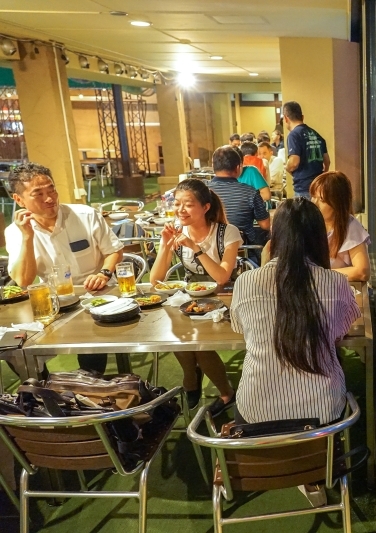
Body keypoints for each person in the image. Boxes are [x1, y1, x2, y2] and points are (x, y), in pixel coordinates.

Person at [231, 198, 360, 425]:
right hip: (322, 415)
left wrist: (265, 265)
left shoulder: (245, 282)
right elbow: (340, 332)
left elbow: (242, 329)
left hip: (255, 415)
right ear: (320, 238)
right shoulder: (337, 282)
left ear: (275, 237)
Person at [5, 162, 124, 375]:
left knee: (91, 341)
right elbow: (23, 280)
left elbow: (114, 251)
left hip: (96, 295)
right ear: (19, 200)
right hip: (53, 303)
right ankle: (43, 387)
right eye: (38, 194)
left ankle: (89, 383)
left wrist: (104, 273)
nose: (49, 198)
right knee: (13, 346)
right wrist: (27, 237)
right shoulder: (15, 232)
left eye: (51, 190)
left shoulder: (85, 215)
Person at [149, 178, 238, 415]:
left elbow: (221, 277)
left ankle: (222, 391)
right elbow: (155, 281)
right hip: (191, 300)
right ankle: (192, 375)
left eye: (188, 204)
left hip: (225, 300)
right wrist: (165, 245)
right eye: (177, 203)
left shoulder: (226, 232)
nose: (180, 210)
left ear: (205, 207)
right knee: (178, 336)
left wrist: (195, 248)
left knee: (199, 345)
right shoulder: (177, 232)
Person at [207, 145, 270, 264]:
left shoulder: (202, 191)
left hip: (207, 253)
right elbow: (265, 224)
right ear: (238, 168)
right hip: (244, 253)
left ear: (213, 166)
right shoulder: (250, 192)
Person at [309, 171, 371, 282]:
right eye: (313, 197)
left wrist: (322, 274)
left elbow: (362, 272)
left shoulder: (350, 226)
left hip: (339, 287)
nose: (314, 204)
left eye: (322, 200)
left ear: (337, 203)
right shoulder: (310, 223)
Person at [283, 101, 330, 198]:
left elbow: (294, 162)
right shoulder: (316, 134)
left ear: (286, 118)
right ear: (302, 117)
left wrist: (287, 167)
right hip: (318, 187)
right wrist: (321, 178)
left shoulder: (294, 135)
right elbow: (327, 161)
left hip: (303, 189)